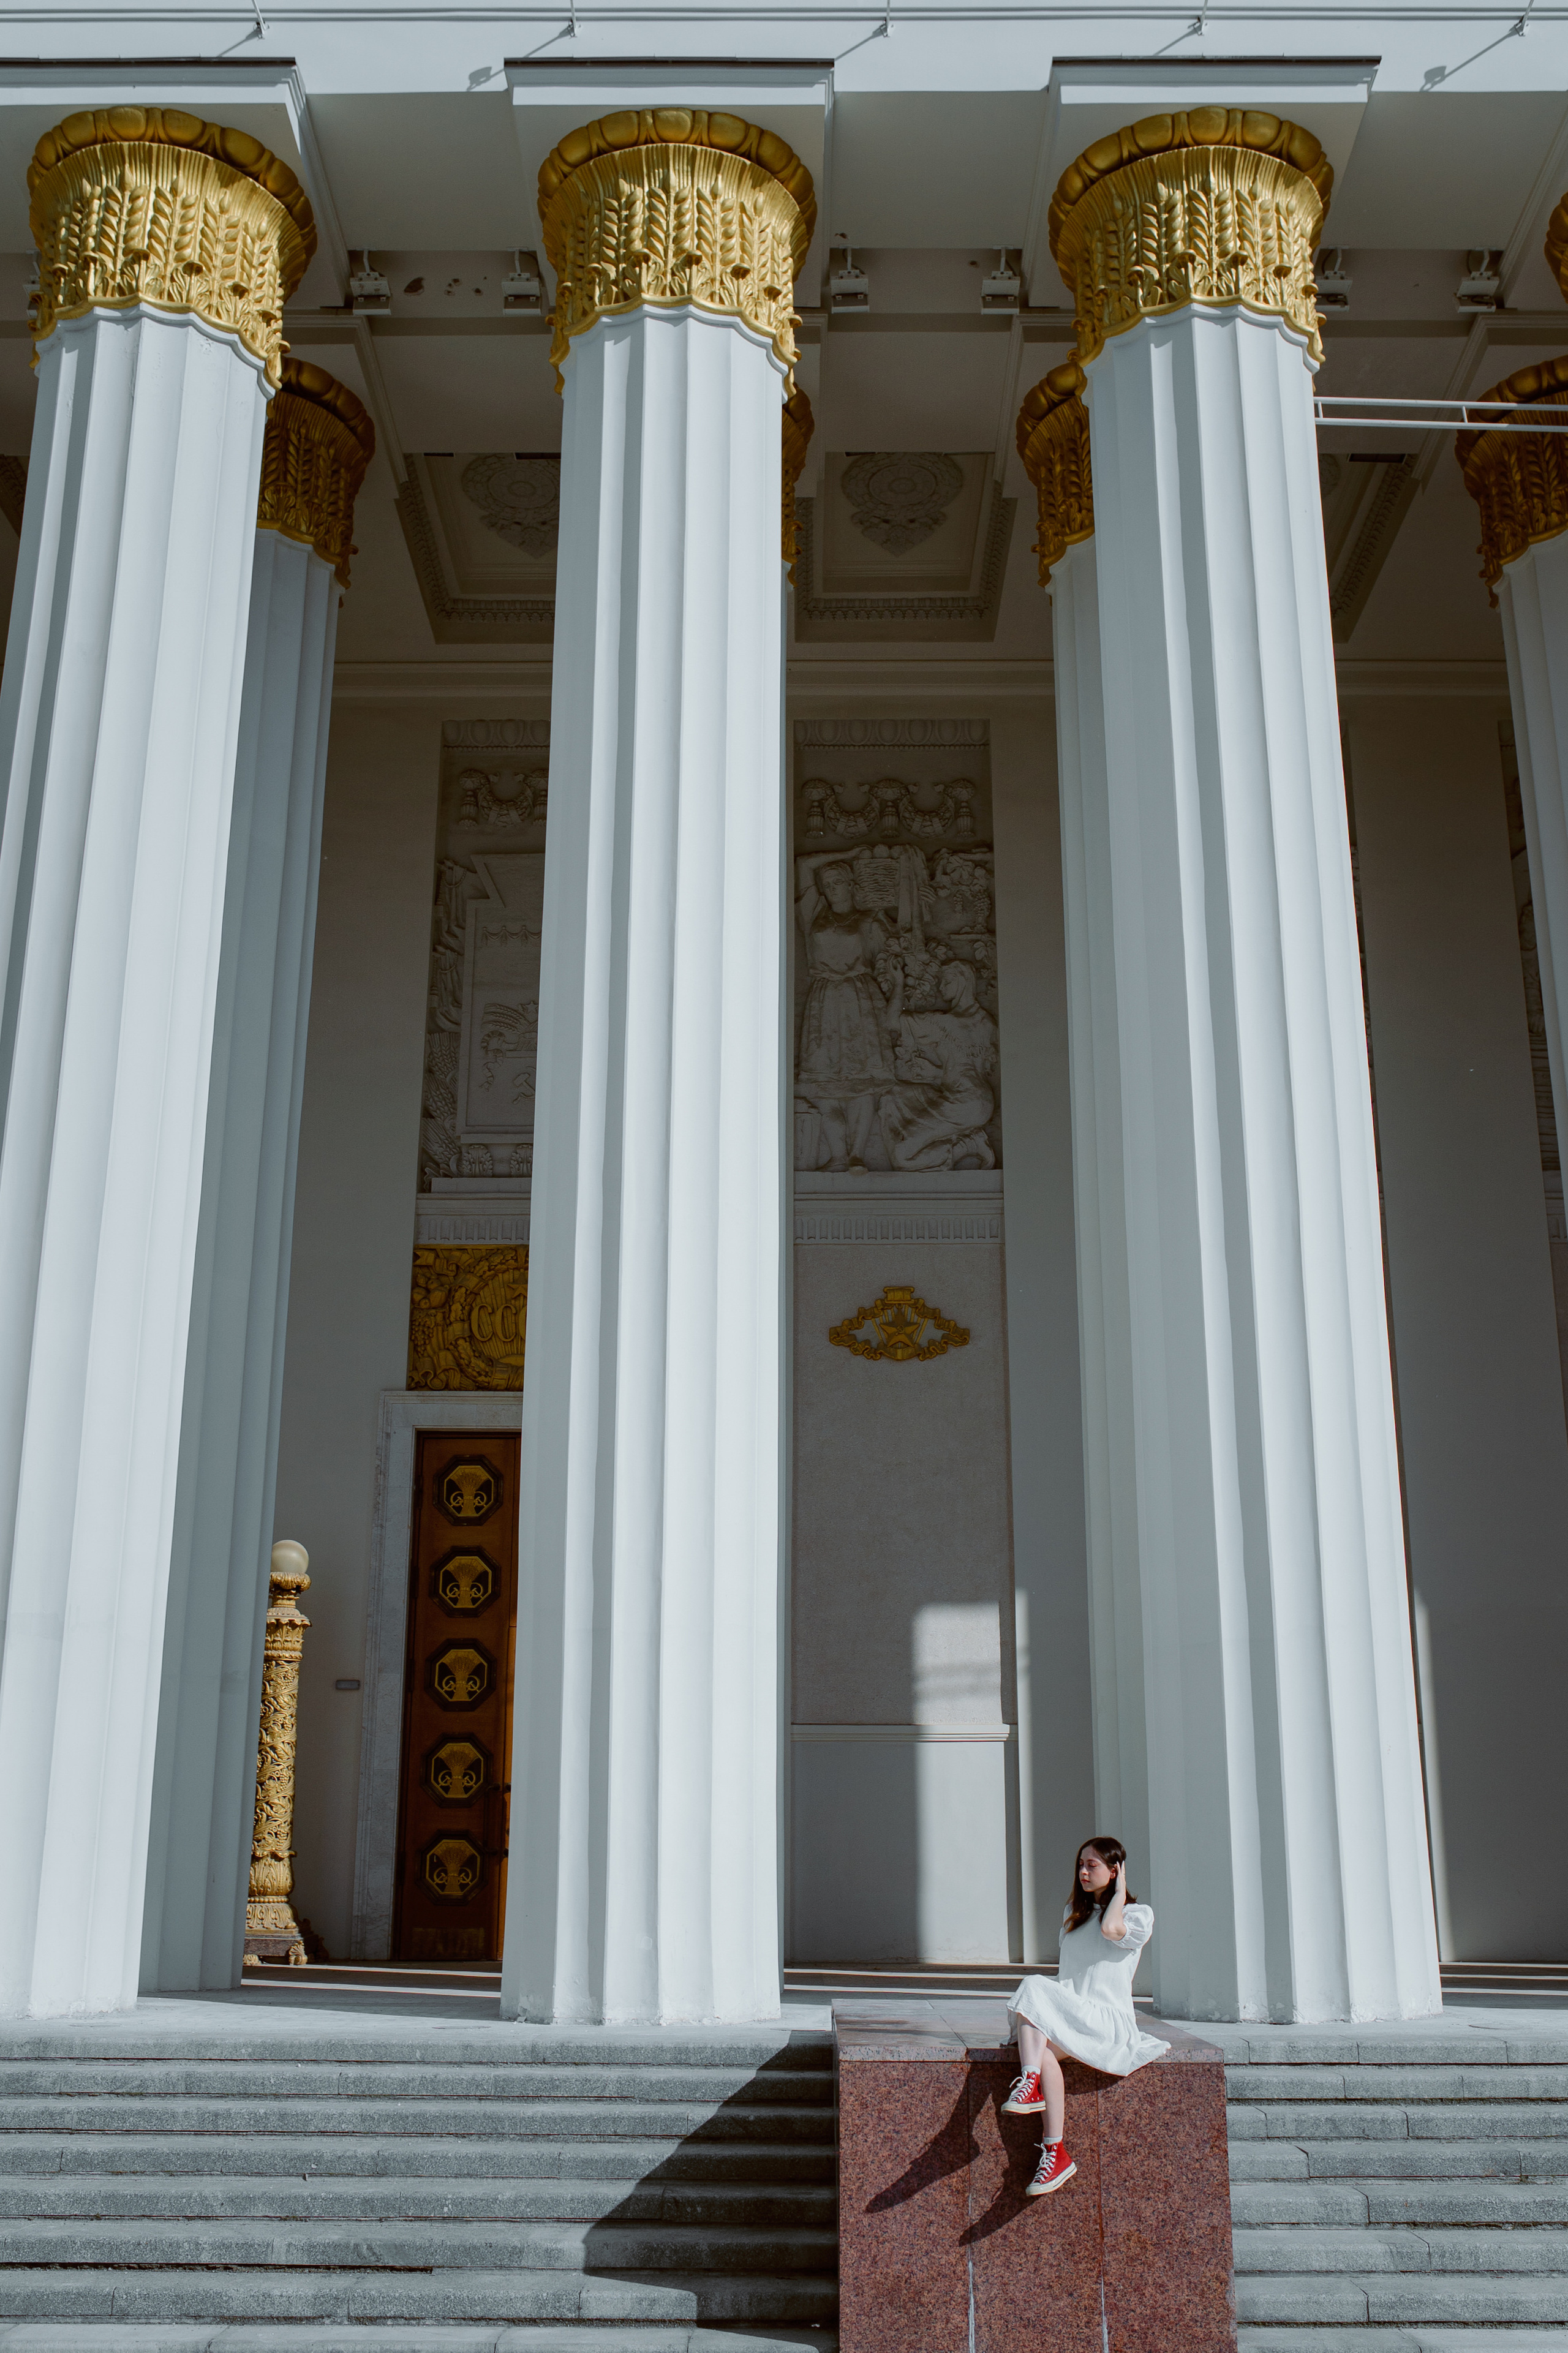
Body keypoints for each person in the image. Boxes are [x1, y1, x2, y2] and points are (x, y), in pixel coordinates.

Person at [1003, 1835, 1170, 2197]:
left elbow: (1110, 1930)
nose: (1083, 1872)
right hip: (1074, 2016)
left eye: (1092, 1865)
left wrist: (1120, 1892)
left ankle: (1029, 2083)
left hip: (1107, 2023)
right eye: (1080, 1864)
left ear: (1115, 1870)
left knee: (1032, 1986)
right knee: (1042, 2050)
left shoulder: (1137, 1916)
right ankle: (1055, 2152)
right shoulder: (1073, 1914)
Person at [794, 853, 894, 1171]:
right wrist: (849, 854)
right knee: (823, 1084)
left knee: (863, 1080)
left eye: (839, 881)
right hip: (824, 999)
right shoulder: (814, 914)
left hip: (859, 999)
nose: (833, 888)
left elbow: (890, 963)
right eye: (828, 884)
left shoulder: (870, 920)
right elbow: (804, 865)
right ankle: (838, 1155)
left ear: (852, 885)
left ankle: (857, 1155)